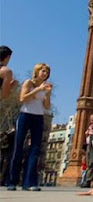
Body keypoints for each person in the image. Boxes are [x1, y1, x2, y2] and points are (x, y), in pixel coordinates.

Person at [7, 63, 52, 191]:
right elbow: (22, 98)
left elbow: (47, 106)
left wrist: (48, 94)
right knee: (18, 147)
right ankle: (12, 181)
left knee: (35, 149)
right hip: (25, 115)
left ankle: (29, 182)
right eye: (43, 71)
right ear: (37, 71)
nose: (45, 74)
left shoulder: (45, 87)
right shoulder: (28, 83)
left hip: (38, 117)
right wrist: (38, 89)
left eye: (47, 72)